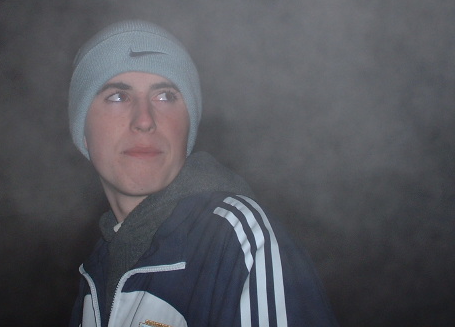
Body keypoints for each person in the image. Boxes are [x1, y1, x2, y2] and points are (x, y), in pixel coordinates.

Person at [67, 20, 338, 327]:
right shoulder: (95, 274)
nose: (144, 120)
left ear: (187, 127)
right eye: (118, 96)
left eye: (165, 96)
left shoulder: (238, 244)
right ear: (83, 132)